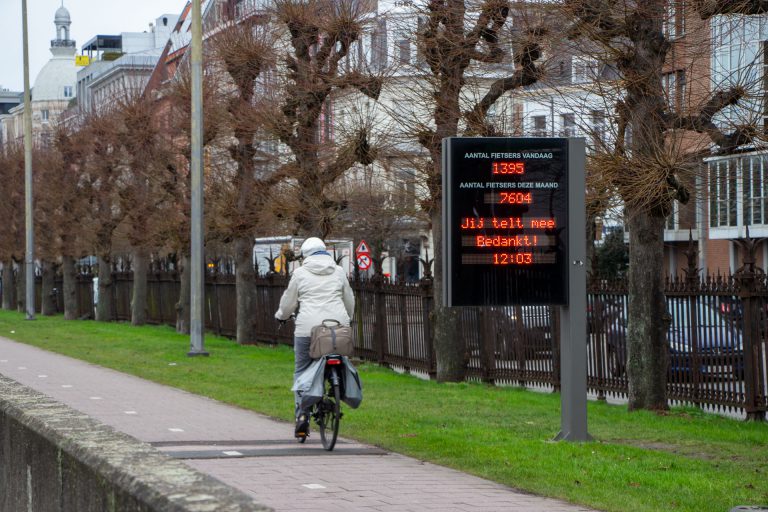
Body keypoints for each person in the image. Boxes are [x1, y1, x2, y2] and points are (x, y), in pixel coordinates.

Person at [274, 237, 355, 439]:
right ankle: (338, 388)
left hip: (307, 329)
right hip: (337, 327)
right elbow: (349, 299)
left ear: (306, 255)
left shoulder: (300, 273)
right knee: (341, 360)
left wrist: (281, 315)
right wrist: (348, 319)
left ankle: (302, 416)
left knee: (301, 370)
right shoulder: (338, 271)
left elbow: (288, 302)